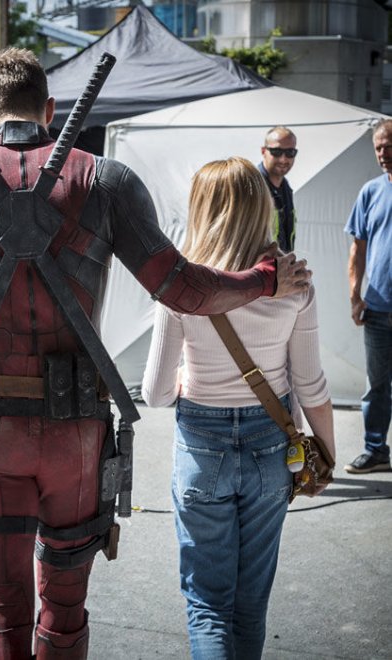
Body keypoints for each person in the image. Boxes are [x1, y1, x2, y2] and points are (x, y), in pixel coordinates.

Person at [0, 48, 310, 660]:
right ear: (50, 110)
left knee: (2, 608)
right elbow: (183, 290)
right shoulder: (103, 182)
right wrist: (263, 280)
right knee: (64, 613)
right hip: (77, 439)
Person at [142, 157, 334, 660]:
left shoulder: (180, 287)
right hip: (271, 446)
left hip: (201, 447)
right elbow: (310, 384)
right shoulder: (295, 282)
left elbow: (156, 393)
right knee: (250, 603)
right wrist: (327, 457)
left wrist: (187, 380)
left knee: (207, 603)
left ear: (201, 210)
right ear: (262, 208)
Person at [343, 118, 392, 474]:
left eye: (389, 146)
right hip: (377, 309)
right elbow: (357, 249)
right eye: (378, 147)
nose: (383, 153)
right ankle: (375, 450)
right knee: (376, 386)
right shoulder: (371, 192)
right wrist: (354, 297)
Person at [258, 126, 298, 252]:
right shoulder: (253, 187)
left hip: (280, 262)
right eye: (276, 151)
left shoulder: (286, 188)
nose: (283, 159)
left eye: (290, 152)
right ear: (263, 151)